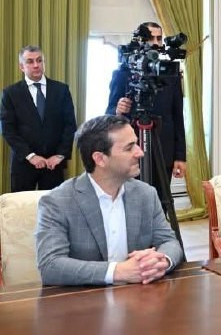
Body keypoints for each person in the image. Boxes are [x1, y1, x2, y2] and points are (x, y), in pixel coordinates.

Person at [35, 115, 184, 286]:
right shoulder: (57, 202)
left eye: (136, 144)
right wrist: (118, 272)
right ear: (100, 159)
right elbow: (50, 266)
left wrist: (161, 261)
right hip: (84, 299)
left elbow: (169, 242)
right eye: (129, 148)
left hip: (140, 296)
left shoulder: (146, 194)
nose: (140, 152)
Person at [106, 22, 187, 180]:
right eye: (150, 38)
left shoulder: (170, 73)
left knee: (160, 195)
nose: (155, 43)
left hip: (163, 150)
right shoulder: (123, 73)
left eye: (159, 38)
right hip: (131, 149)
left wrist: (180, 156)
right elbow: (109, 113)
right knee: (132, 195)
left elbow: (178, 117)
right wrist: (117, 110)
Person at [1, 45, 77, 192]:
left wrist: (60, 155)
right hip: (23, 163)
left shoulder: (61, 90)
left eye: (39, 60)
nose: (36, 65)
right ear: (22, 66)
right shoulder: (11, 93)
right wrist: (30, 156)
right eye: (30, 61)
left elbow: (70, 125)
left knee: (54, 205)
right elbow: (8, 130)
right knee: (21, 205)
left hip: (53, 163)